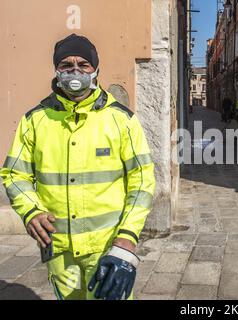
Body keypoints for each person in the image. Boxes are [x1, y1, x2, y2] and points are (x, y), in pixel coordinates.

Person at [0, 34, 156, 300]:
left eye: (83, 64)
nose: (75, 71)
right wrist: (31, 211)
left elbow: (142, 181)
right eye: (66, 65)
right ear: (56, 70)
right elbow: (14, 175)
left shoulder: (122, 120)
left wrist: (127, 241)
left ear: (96, 70)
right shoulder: (35, 120)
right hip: (60, 252)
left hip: (108, 249)